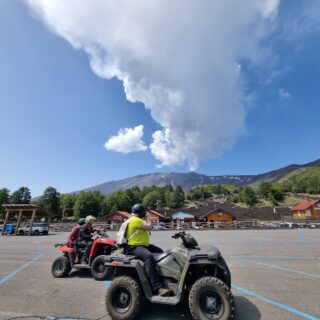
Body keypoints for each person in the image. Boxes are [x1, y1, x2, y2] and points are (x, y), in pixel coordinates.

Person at [125, 204, 169, 296]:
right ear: (141, 212)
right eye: (144, 212)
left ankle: (156, 272)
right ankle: (157, 287)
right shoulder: (135, 220)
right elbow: (149, 226)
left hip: (142, 245)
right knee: (148, 256)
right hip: (134, 247)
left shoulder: (136, 219)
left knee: (160, 251)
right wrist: (148, 217)